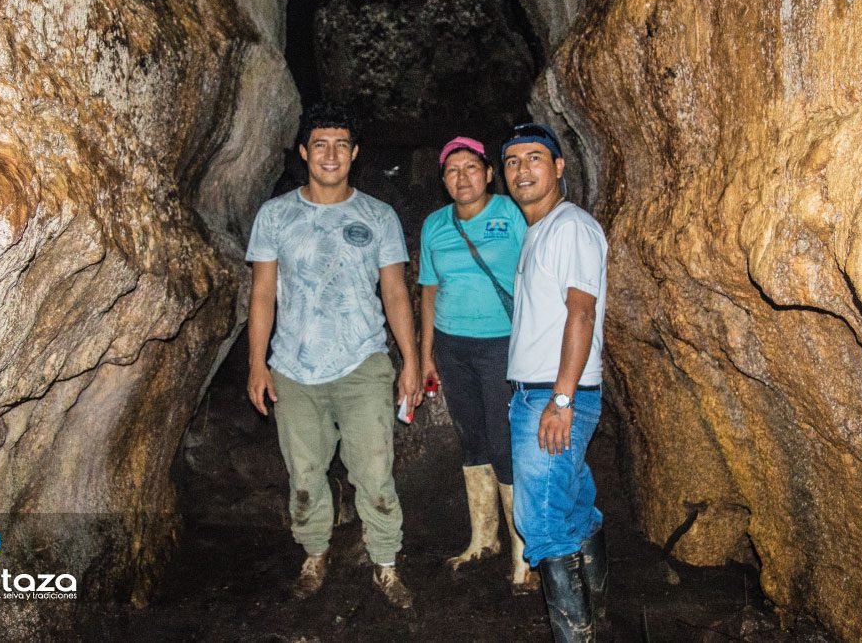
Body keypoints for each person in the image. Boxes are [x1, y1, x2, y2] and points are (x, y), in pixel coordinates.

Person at [245, 101, 422, 609]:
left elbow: (395, 292)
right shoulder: (275, 215)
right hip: (294, 367)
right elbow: (263, 293)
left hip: (362, 363)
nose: (330, 154)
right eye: (320, 144)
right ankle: (315, 553)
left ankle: (385, 561)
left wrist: (410, 361)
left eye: (341, 145)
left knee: (375, 473)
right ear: (304, 152)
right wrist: (257, 363)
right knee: (305, 475)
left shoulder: (378, 216)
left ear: (354, 153)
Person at [501, 123, 609, 641]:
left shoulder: (570, 227)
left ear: (559, 167)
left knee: (541, 524)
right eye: (513, 161)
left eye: (535, 158)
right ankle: (599, 618)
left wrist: (561, 400)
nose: (522, 170)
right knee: (574, 510)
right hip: (545, 393)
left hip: (554, 395)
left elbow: (581, 314)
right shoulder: (540, 230)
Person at [418, 137, 539, 594]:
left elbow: (537, 272)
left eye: (471, 167)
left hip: (502, 345)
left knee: (504, 442)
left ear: (489, 173)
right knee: (472, 440)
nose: (462, 177)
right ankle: (483, 539)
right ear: (443, 180)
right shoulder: (435, 224)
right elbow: (429, 290)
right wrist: (427, 354)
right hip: (452, 346)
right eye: (452, 170)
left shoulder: (512, 213)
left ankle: (524, 554)